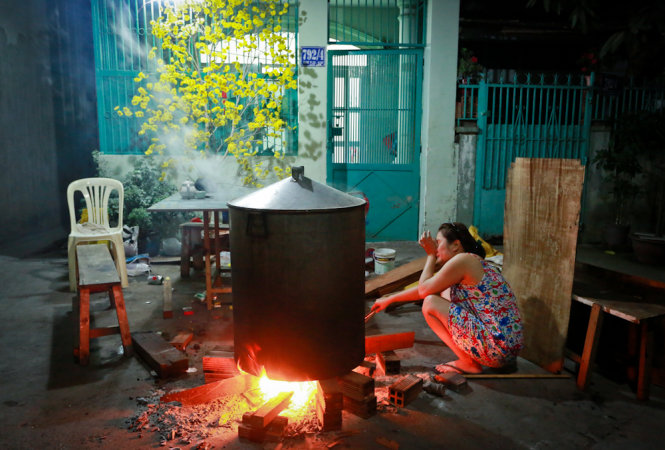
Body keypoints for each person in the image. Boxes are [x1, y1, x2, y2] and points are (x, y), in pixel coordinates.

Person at [370, 222, 523, 374]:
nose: (436, 249)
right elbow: (427, 287)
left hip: (497, 348)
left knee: (430, 303)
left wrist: (430, 255)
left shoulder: (463, 260)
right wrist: (389, 299)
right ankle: (471, 358)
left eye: (438, 243)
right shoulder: (475, 263)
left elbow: (424, 291)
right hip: (508, 351)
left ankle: (468, 363)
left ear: (455, 245)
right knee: (442, 293)